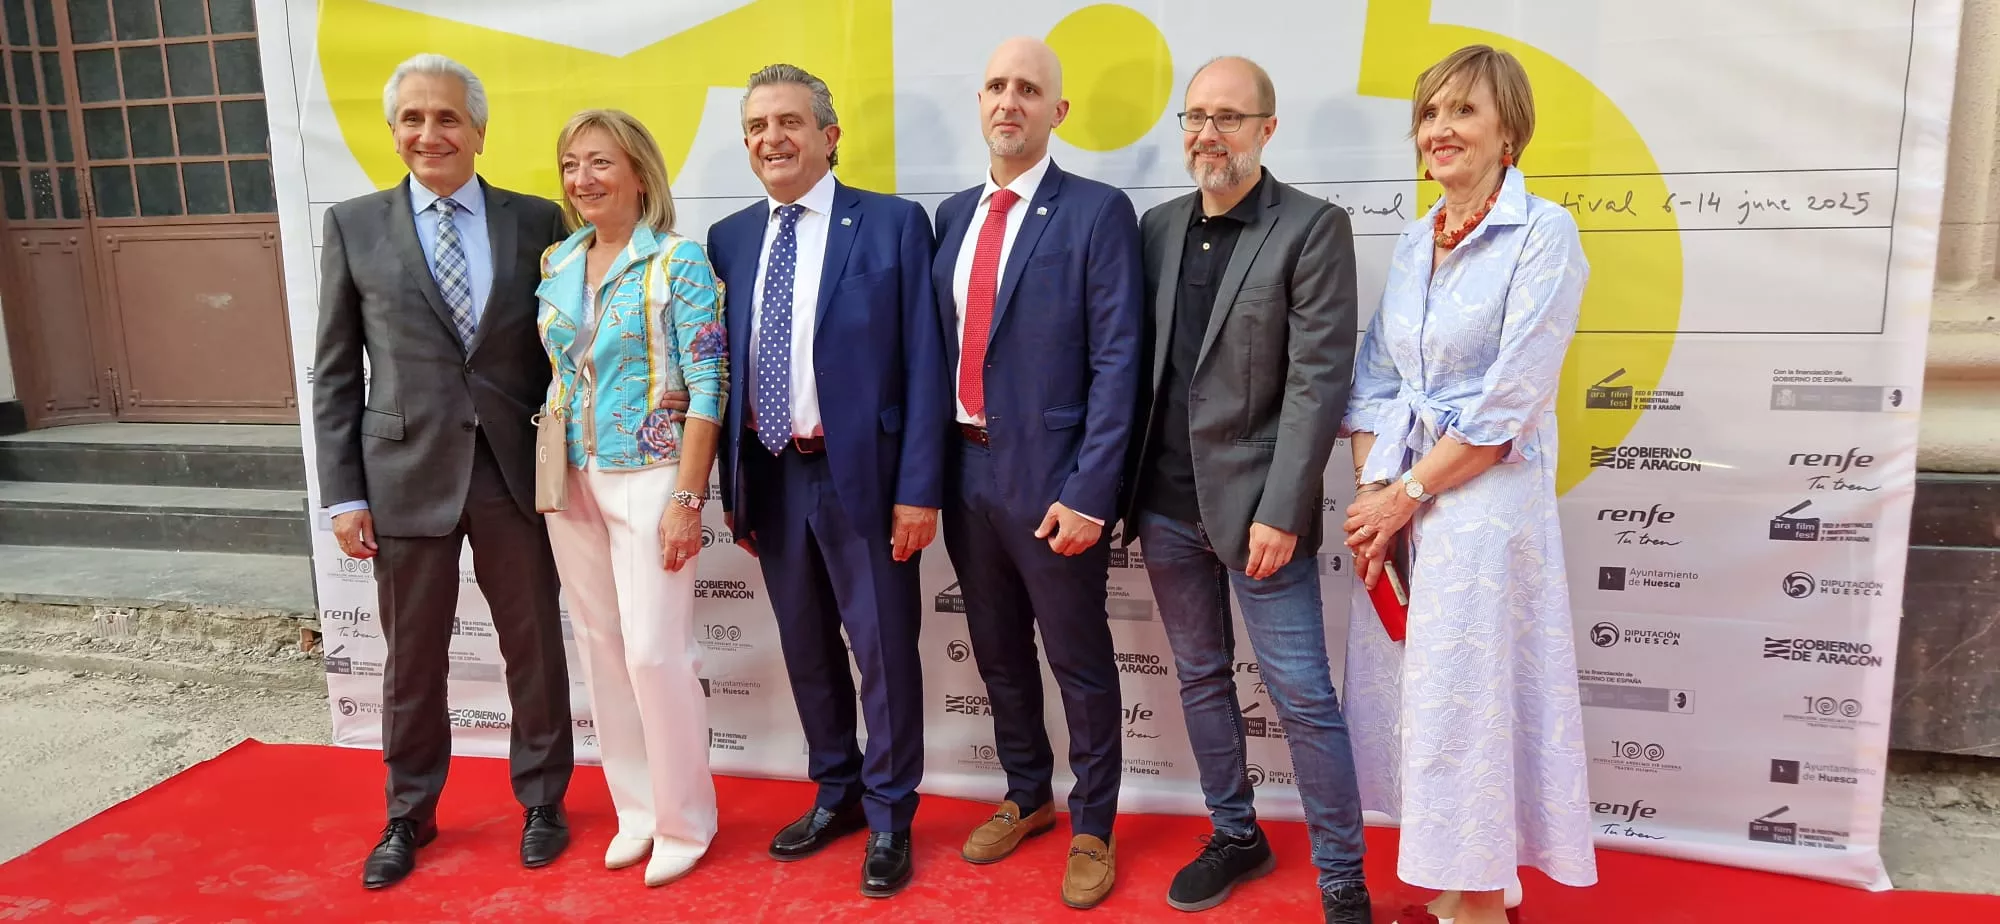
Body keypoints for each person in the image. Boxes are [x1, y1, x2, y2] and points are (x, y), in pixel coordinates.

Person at [1340, 45, 1596, 924]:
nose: (1441, 130)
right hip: (1406, 497)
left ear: (1509, 132)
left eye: (1465, 113)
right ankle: (1470, 877)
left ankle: (1484, 899)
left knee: (1470, 700)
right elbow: (1373, 378)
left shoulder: (1544, 233)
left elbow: (1508, 405)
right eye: (1430, 114)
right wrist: (1379, 490)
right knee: (1421, 698)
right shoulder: (1415, 242)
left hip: (1483, 508)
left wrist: (1402, 494)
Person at [312, 53, 573, 889]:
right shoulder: (353, 225)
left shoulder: (537, 221)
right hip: (403, 475)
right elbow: (336, 370)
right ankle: (408, 813)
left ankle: (543, 801)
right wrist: (344, 491)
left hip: (511, 470)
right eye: (413, 119)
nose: (431, 133)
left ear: (480, 130)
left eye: (448, 117)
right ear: (393, 134)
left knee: (534, 646)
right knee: (412, 658)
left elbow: (568, 346)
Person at [1121, 56, 1372, 924]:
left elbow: (1318, 383)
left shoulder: (1311, 227)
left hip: (1260, 512)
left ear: (1267, 128)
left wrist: (1282, 508)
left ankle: (1343, 875)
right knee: (1198, 677)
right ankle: (1236, 834)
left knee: (1301, 694)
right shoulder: (1154, 227)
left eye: (1229, 117)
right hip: (1162, 504)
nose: (1208, 133)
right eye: (1196, 116)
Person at [708, 63, 946, 900]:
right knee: (807, 650)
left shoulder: (890, 225)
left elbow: (925, 364)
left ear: (829, 135)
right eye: (756, 128)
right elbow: (724, 373)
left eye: (788, 123)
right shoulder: (730, 239)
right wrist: (730, 490)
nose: (771, 139)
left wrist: (919, 490)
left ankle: (889, 817)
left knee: (882, 652)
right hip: (770, 477)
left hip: (867, 483)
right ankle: (836, 792)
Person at [931, 36, 1142, 910]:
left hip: (1055, 485)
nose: (1008, 101)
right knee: (999, 655)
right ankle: (1027, 795)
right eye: (995, 87)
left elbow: (1119, 362)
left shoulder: (1096, 212)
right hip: (965, 476)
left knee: (1079, 661)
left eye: (1028, 89)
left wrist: (1090, 492)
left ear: (1057, 113)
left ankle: (1093, 823)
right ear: (979, 104)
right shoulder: (949, 217)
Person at [534, 109, 726, 888]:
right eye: (573, 164)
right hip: (568, 475)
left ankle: (688, 819)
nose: (584, 180)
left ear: (639, 173)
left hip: (651, 475)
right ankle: (637, 811)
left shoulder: (678, 262)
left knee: (655, 653)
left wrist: (689, 494)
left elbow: (709, 382)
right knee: (602, 651)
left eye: (601, 164)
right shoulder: (557, 259)